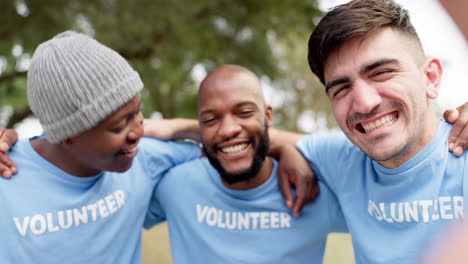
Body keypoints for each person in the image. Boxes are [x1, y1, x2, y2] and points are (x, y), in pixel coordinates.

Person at [0, 31, 317, 263]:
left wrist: (285, 150)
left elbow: (234, 146)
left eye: (137, 113)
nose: (137, 131)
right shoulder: (7, 177)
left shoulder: (147, 160)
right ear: (67, 135)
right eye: (118, 126)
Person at [295, 0, 468, 263]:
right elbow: (273, 138)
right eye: (341, 89)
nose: (364, 102)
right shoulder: (342, 160)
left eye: (382, 72)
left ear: (430, 78)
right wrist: (289, 154)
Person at [143, 64, 347, 264]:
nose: (228, 130)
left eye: (244, 112)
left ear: (267, 117)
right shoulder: (176, 185)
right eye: (211, 119)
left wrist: (290, 149)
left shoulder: (312, 190)